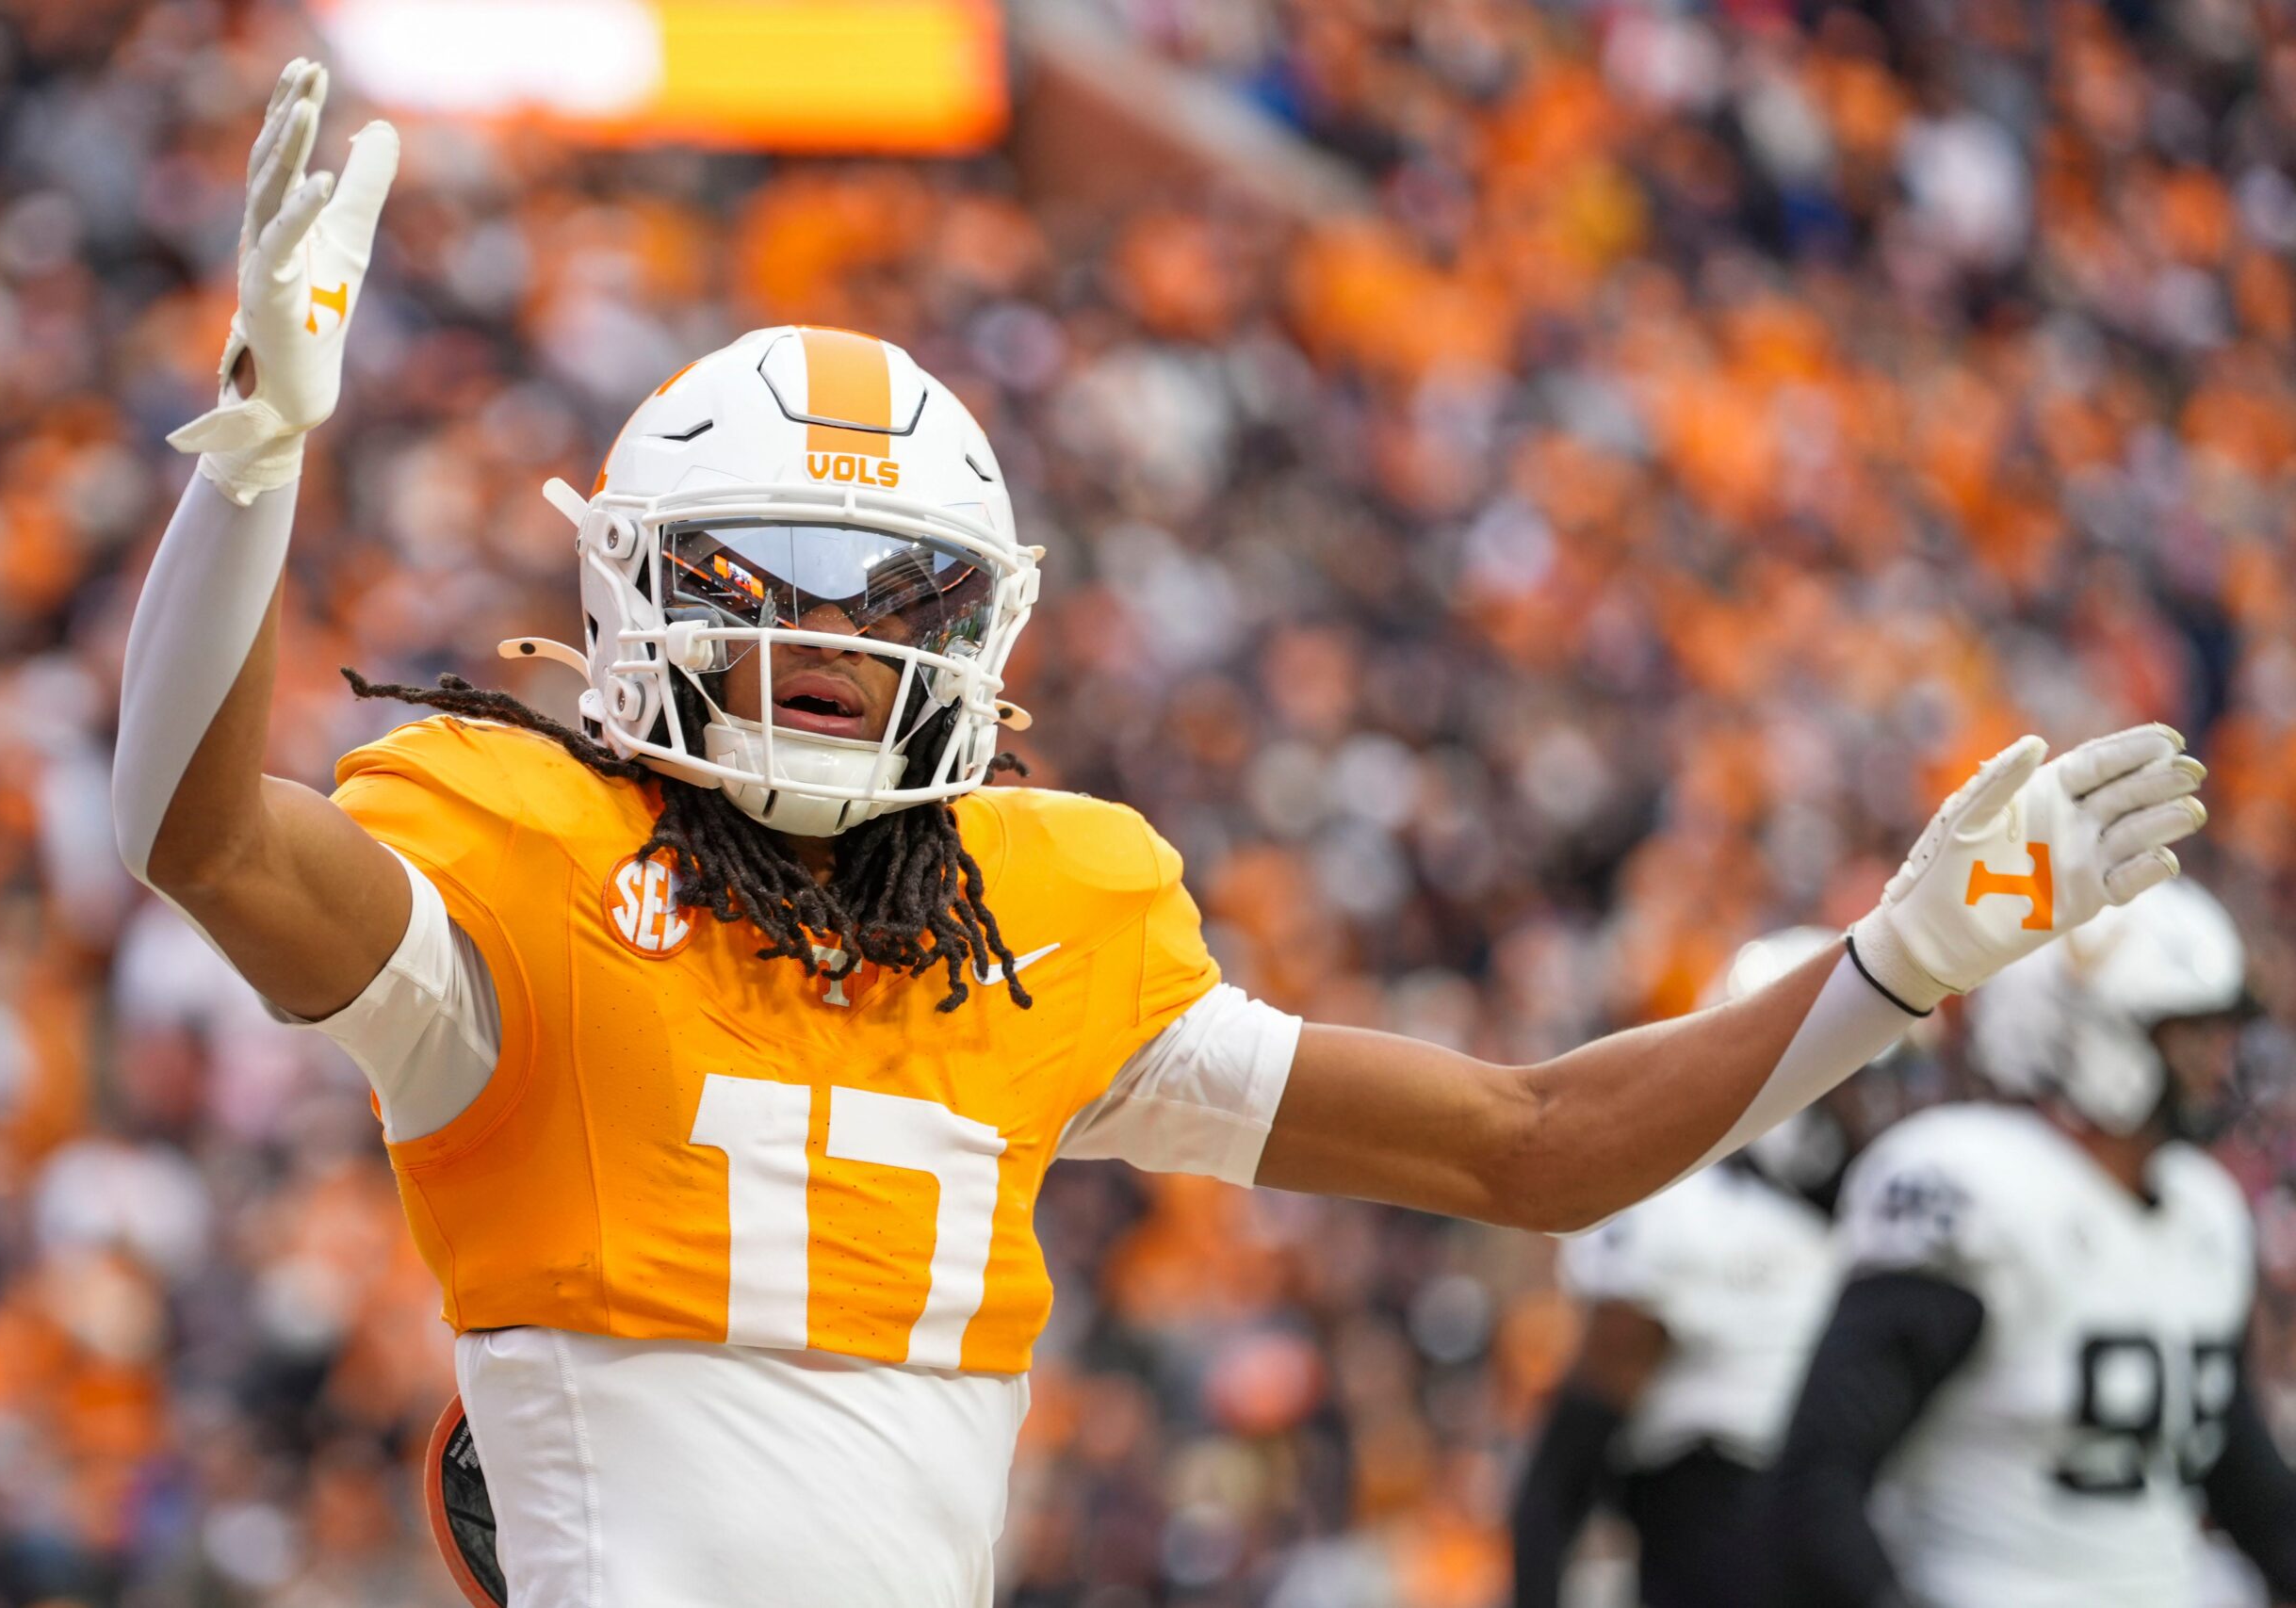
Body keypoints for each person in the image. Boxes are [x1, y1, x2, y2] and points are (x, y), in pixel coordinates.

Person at [111, 62, 2212, 1608]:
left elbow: (1522, 1143)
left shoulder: (1053, 909)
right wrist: (256, 468)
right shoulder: (521, 859)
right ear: (639, 585)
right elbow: (196, 834)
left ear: (993, 623)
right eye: (770, 573)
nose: (836, 643)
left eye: (898, 593)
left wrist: (1891, 968)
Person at [1770, 876, 2296, 1608]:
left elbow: (2242, 1473)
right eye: (2192, 1033)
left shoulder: (2204, 1212)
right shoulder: (1972, 1187)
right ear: (2089, 1029)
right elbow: (1817, 1477)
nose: (2219, 1063)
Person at [1509, 928, 1931, 1608]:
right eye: (1858, 1087)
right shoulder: (1689, 1220)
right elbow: (1562, 1475)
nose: (1883, 1115)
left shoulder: (1905, 1233)